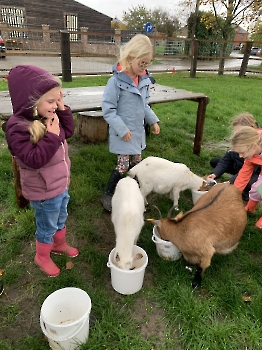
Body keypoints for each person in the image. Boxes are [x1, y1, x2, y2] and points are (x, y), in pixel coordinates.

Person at [5, 65, 78, 277]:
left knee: (61, 217)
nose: (55, 105)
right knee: (46, 226)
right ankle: (42, 256)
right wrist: (52, 137)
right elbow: (33, 159)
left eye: (58, 99)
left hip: (59, 185)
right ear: (32, 102)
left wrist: (62, 109)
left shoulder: (49, 116)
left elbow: (69, 131)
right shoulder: (17, 127)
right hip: (43, 191)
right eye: (51, 101)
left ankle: (59, 244)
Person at [101, 34, 160, 211]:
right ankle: (108, 195)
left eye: (147, 64)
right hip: (124, 134)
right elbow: (108, 110)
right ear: (130, 58)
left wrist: (153, 121)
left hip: (137, 133)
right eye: (141, 63)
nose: (144, 68)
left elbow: (145, 105)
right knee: (123, 165)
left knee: (137, 165)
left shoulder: (143, 81)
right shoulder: (115, 82)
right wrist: (121, 129)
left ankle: (136, 195)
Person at [208, 113, 260, 201]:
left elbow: (249, 172)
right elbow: (227, 159)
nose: (236, 135)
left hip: (255, 174)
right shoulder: (238, 141)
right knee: (215, 162)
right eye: (235, 132)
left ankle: (249, 192)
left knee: (254, 187)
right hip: (240, 168)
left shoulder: (254, 147)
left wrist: (230, 182)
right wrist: (215, 174)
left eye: (239, 132)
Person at [231, 126, 262, 228]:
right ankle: (250, 208)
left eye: (242, 152)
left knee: (261, 188)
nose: (240, 156)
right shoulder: (252, 148)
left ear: (253, 146)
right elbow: (244, 174)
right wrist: (234, 194)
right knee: (256, 188)